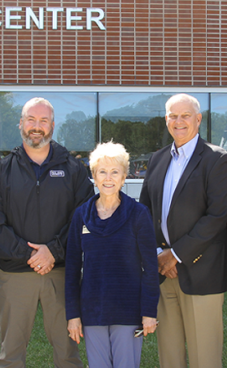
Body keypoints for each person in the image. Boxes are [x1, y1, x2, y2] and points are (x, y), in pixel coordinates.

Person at [0, 97, 94, 368]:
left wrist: (53, 251)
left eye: (43, 121)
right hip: (16, 275)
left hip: (62, 273)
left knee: (68, 352)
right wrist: (31, 254)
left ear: (53, 125)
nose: (36, 126)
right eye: (31, 119)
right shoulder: (1, 173)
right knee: (11, 355)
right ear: (20, 124)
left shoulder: (74, 170)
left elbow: (85, 219)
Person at [139, 93, 227, 368]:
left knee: (204, 357)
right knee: (169, 357)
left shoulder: (218, 160)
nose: (179, 121)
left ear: (198, 119)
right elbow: (144, 213)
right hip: (163, 273)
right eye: (173, 116)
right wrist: (159, 254)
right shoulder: (157, 159)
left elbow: (216, 217)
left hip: (200, 272)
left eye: (185, 116)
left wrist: (176, 255)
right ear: (166, 119)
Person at [65, 141, 159, 368]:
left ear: (124, 176)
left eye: (115, 172)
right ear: (94, 176)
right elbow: (72, 268)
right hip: (92, 312)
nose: (108, 178)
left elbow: (150, 268)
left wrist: (149, 312)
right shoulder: (81, 215)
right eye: (102, 172)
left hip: (128, 311)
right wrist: (73, 315)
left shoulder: (138, 214)